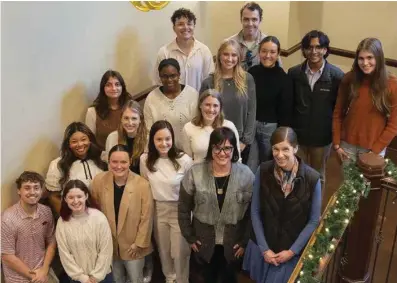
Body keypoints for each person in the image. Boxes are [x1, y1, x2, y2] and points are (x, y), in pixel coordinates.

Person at [243, 127, 322, 283]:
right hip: (264, 246)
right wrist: (264, 249)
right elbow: (255, 211)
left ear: (296, 148)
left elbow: (313, 221)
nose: (280, 155)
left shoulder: (313, 179)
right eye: (275, 149)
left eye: (285, 149)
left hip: (290, 250)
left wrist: (292, 252)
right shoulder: (263, 170)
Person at [178, 127, 254, 283]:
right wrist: (190, 237)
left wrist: (245, 241)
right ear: (211, 148)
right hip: (203, 245)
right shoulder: (194, 173)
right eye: (217, 148)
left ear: (234, 149)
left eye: (227, 148)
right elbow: (183, 209)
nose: (222, 153)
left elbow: (253, 213)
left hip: (233, 246)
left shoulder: (246, 175)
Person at [288, 30, 344, 186]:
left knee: (317, 175)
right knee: (296, 172)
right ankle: (299, 207)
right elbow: (290, 104)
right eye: (309, 47)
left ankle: (314, 209)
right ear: (304, 50)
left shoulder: (337, 76)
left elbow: (339, 109)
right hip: (298, 136)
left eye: (318, 47)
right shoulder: (294, 73)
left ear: (325, 50)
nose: (314, 51)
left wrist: (335, 136)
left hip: (322, 138)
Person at [91, 144, 154, 283]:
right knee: (116, 279)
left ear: (130, 161)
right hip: (109, 245)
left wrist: (139, 243)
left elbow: (147, 217)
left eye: (123, 162)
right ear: (108, 161)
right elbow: (93, 213)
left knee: (135, 279)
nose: (119, 166)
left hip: (133, 246)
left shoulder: (142, 184)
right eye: (114, 162)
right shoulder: (98, 181)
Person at [140, 120, 193, 283]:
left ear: (173, 138)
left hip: (179, 209)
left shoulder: (184, 160)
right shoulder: (145, 160)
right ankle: (169, 278)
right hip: (157, 209)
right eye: (159, 139)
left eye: (167, 139)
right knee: (164, 250)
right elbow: (144, 185)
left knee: (180, 252)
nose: (164, 143)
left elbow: (192, 189)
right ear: (152, 141)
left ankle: (182, 279)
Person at [332, 37, 397, 163]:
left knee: (367, 183)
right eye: (361, 58)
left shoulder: (392, 84)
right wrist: (336, 144)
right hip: (347, 146)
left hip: (373, 148)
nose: (365, 63)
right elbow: (338, 112)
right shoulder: (349, 79)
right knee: (347, 183)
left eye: (369, 58)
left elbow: (394, 125)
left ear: (378, 58)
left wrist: (375, 150)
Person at [200, 39, 256, 170]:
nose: (229, 59)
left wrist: (244, 141)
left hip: (240, 141)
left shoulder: (247, 79)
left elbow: (252, 110)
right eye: (226, 54)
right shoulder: (209, 82)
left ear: (239, 58)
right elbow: (202, 113)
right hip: (214, 141)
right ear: (219, 56)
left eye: (234, 55)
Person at [1, 171, 57, 283]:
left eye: (36, 188)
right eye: (27, 188)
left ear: (41, 191)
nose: (32, 192)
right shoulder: (7, 219)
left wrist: (44, 270)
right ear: (19, 191)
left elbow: (51, 242)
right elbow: (7, 257)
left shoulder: (46, 212)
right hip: (17, 278)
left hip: (43, 271)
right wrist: (34, 276)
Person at [56, 179, 113, 283]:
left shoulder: (99, 218)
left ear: (86, 196)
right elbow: (64, 254)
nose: (75, 201)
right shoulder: (62, 222)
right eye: (71, 197)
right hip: (77, 279)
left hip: (103, 277)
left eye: (79, 196)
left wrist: (96, 277)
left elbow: (106, 250)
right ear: (65, 199)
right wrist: (82, 278)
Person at [248, 36, 293, 163]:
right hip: (251, 125)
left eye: (272, 52)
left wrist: (282, 135)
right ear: (259, 52)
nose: (268, 55)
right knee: (250, 162)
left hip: (270, 128)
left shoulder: (284, 78)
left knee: (268, 162)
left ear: (278, 54)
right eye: (264, 51)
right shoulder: (252, 72)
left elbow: (286, 110)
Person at [46, 122, 107, 215]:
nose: (80, 144)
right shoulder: (58, 165)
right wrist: (69, 218)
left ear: (90, 140)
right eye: (74, 141)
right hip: (73, 217)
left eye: (83, 139)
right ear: (68, 144)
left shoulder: (102, 159)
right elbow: (54, 197)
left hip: (102, 215)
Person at [153, 8, 214, 91]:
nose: (185, 27)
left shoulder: (204, 50)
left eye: (189, 24)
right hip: (173, 102)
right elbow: (158, 82)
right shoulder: (164, 52)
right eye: (180, 24)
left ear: (194, 26)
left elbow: (210, 80)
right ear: (174, 28)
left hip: (199, 101)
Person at [145, 58, 198, 149]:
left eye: (173, 76)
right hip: (162, 151)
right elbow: (148, 131)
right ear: (160, 77)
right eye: (164, 76)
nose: (169, 80)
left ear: (179, 75)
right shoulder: (152, 98)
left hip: (188, 152)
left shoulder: (192, 95)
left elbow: (197, 127)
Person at [182, 89, 240, 163]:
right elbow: (187, 160)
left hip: (224, 172)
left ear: (220, 108)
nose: (211, 109)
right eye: (207, 105)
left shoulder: (229, 126)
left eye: (215, 105)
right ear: (200, 105)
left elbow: (237, 159)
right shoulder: (188, 128)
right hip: (198, 173)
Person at [86, 70, 132, 151]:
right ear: (103, 88)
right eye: (108, 85)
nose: (114, 88)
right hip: (102, 157)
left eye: (117, 84)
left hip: (128, 155)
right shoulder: (92, 111)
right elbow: (90, 142)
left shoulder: (130, 107)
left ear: (122, 87)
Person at [227, 2, 281, 70]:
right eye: (246, 19)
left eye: (254, 19)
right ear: (241, 20)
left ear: (260, 20)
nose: (250, 24)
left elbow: (278, 71)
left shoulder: (270, 44)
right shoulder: (229, 43)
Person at [105, 99, 147, 174]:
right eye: (126, 118)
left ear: (140, 120)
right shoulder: (112, 138)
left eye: (134, 118)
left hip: (142, 182)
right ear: (121, 119)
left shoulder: (148, 139)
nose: (130, 123)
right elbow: (110, 167)